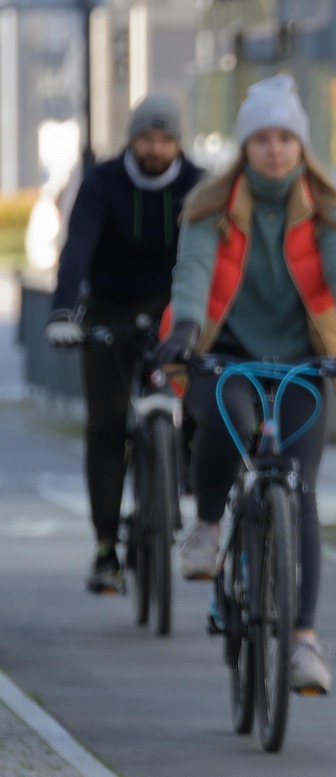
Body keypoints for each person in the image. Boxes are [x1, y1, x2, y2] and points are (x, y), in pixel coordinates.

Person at [154, 74, 336, 694]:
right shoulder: (211, 203)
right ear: (245, 145)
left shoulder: (324, 207)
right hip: (226, 352)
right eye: (263, 138)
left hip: (301, 361)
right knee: (225, 421)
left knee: (299, 491)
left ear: (300, 144)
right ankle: (207, 525)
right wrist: (183, 328)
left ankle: (305, 642)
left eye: (286, 137)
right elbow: (195, 268)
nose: (275, 149)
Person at [44, 93, 204, 595]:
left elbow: (215, 252)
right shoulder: (103, 181)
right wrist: (63, 312)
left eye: (166, 138)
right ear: (131, 139)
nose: (156, 148)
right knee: (107, 423)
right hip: (109, 306)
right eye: (146, 137)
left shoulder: (198, 184)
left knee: (203, 397)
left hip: (175, 307)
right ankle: (105, 548)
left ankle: (188, 486)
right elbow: (78, 249)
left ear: (178, 142)